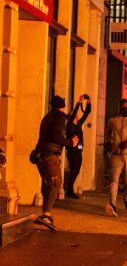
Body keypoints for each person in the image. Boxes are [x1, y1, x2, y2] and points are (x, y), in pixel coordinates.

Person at [31, 96, 68, 231]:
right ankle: (46, 215)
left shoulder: (47, 117)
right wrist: (69, 142)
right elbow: (56, 136)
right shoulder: (60, 117)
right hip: (50, 155)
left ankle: (45, 214)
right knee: (55, 183)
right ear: (62, 106)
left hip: (42, 155)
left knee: (49, 184)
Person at [64, 94, 92, 199]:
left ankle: (70, 189)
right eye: (73, 114)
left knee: (77, 169)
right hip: (72, 150)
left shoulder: (79, 123)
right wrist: (78, 103)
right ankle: (69, 190)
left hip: (79, 150)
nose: (75, 115)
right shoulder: (69, 124)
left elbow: (87, 112)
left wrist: (88, 101)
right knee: (74, 169)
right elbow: (74, 114)